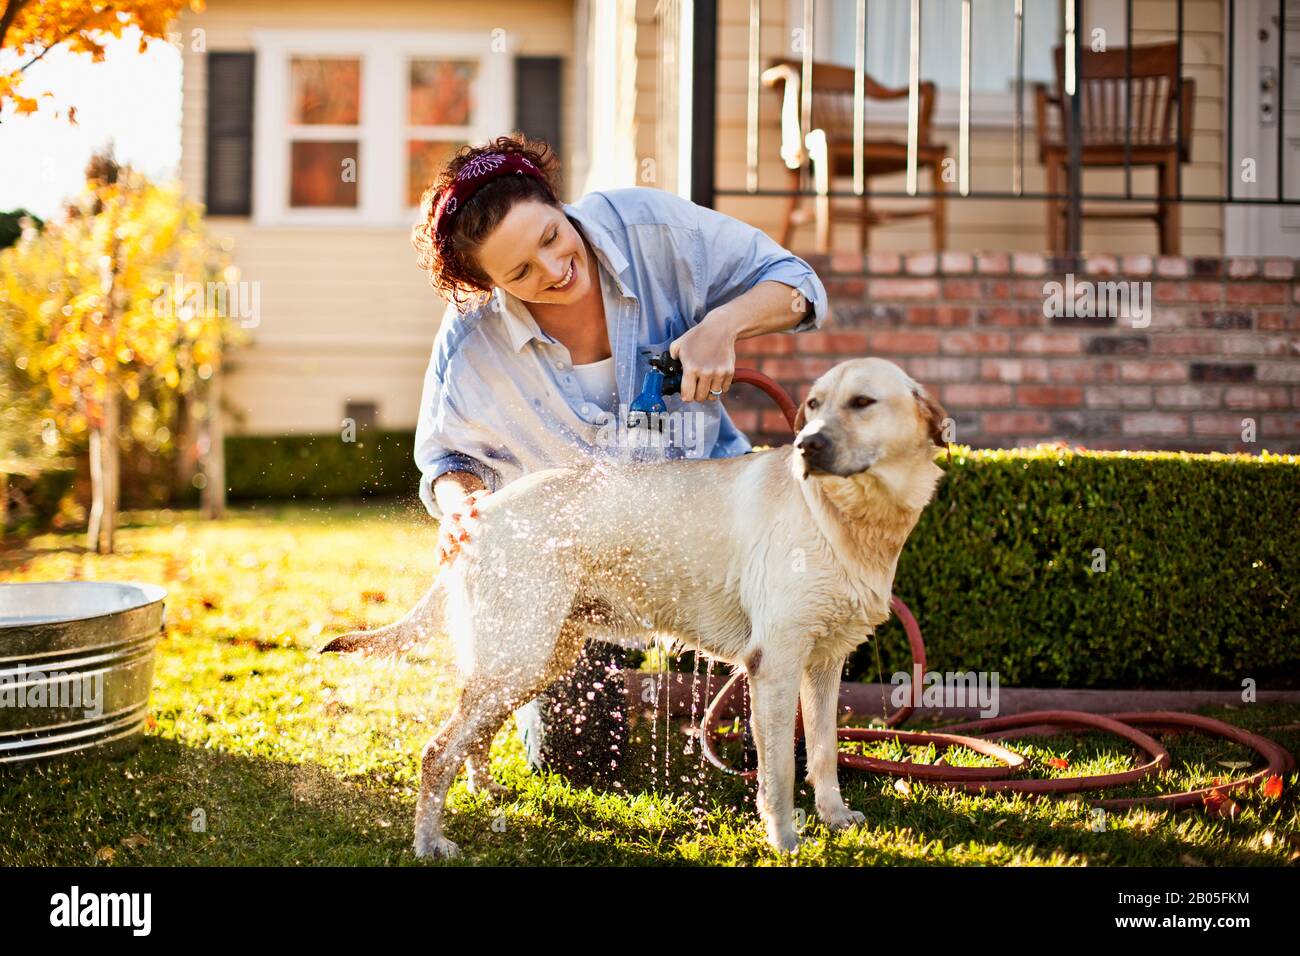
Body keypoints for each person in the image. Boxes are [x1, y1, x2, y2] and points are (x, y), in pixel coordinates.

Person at [409, 132, 829, 788]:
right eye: (519, 272)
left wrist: (723, 326)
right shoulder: (470, 338)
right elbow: (449, 458)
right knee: (576, 764)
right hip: (581, 569)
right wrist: (462, 504)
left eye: (551, 236)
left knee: (783, 748)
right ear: (488, 286)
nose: (551, 270)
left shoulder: (651, 229)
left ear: (557, 202)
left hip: (714, 545)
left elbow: (798, 287)